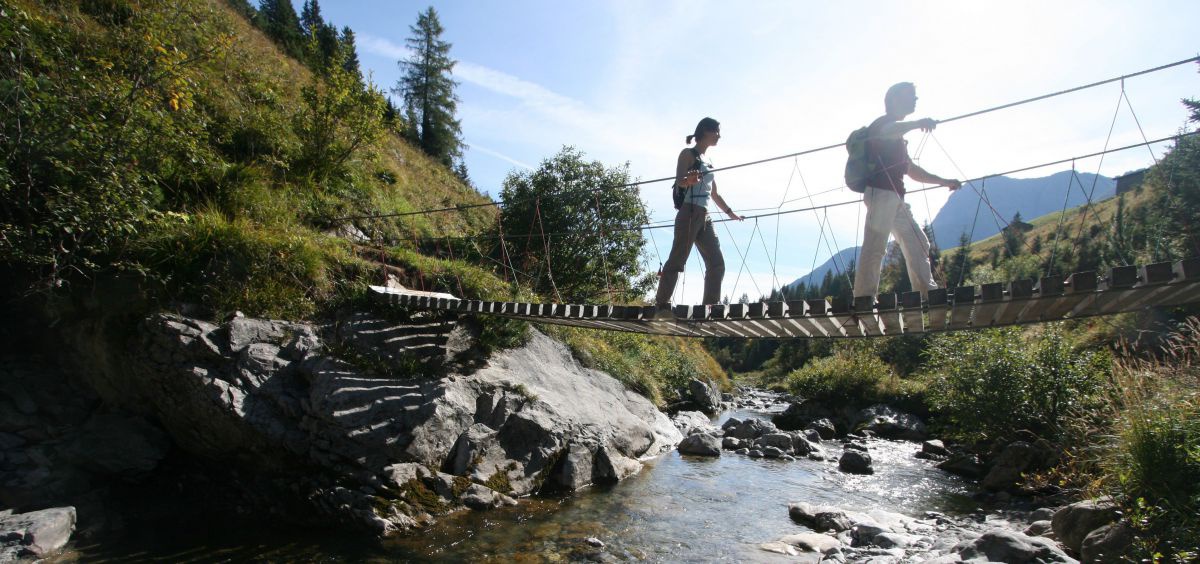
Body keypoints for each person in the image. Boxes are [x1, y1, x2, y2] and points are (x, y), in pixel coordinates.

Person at [852, 82, 961, 303]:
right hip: (881, 194)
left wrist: (943, 182)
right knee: (876, 246)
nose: (915, 100)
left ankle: (926, 293)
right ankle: (863, 298)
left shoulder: (897, 138)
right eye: (910, 96)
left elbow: (911, 170)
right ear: (893, 100)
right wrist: (918, 123)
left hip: (895, 197)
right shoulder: (883, 126)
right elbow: (887, 131)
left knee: (918, 241)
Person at [653, 117, 743, 318]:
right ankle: (661, 303)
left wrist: (730, 213)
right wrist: (689, 180)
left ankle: (709, 307)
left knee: (716, 262)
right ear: (705, 131)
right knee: (677, 260)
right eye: (716, 131)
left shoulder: (710, 162)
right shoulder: (688, 154)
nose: (719, 136)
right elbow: (680, 182)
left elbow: (714, 194)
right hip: (689, 211)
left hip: (705, 215)